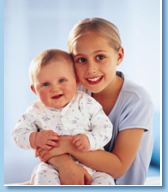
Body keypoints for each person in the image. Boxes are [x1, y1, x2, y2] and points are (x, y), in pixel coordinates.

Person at [35, 18, 154, 185]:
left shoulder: (137, 101)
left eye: (100, 57)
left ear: (119, 56)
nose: (91, 69)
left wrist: (67, 145)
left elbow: (118, 167)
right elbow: (46, 145)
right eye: (81, 60)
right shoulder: (75, 92)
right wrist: (64, 163)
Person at [12, 48, 114, 185]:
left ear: (76, 81)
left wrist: (90, 140)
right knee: (42, 176)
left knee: (106, 181)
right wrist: (36, 138)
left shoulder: (86, 102)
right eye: (45, 84)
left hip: (92, 167)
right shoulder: (35, 110)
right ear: (34, 90)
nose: (54, 88)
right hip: (52, 167)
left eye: (62, 80)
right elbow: (18, 134)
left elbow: (105, 127)